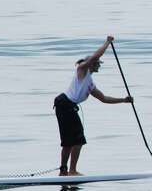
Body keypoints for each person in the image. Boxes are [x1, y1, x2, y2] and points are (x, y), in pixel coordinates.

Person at [54, 36, 132, 176]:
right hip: (64, 104)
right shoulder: (82, 69)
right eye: (98, 63)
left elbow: (104, 98)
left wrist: (124, 100)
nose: (99, 65)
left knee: (69, 141)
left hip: (65, 105)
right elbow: (96, 55)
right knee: (77, 139)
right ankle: (71, 171)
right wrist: (108, 42)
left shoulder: (89, 83)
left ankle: (64, 171)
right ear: (92, 64)